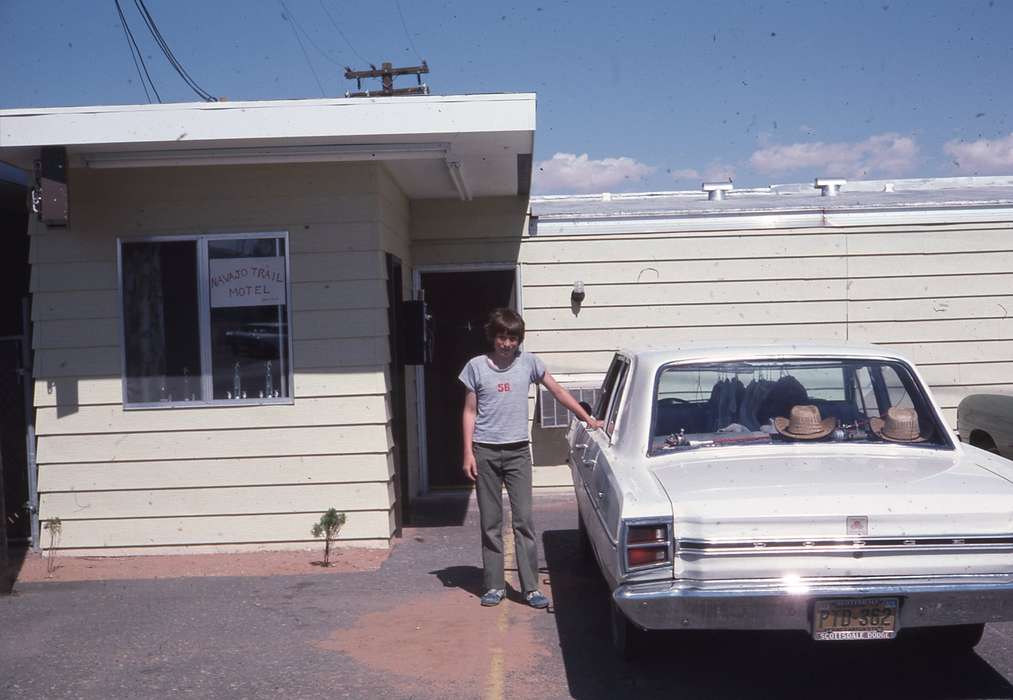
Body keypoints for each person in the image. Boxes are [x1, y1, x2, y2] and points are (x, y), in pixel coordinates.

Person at [459, 308, 602, 608]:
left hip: (518, 453)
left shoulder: (530, 363)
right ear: (493, 337)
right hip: (485, 450)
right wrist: (468, 453)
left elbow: (558, 391)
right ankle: (494, 585)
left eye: (512, 338)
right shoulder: (475, 367)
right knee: (491, 522)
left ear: (518, 340)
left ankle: (531, 587)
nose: (507, 343)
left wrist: (587, 418)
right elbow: (469, 411)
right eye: (501, 337)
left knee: (524, 521)